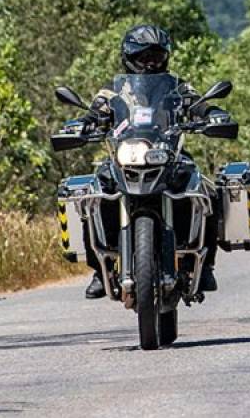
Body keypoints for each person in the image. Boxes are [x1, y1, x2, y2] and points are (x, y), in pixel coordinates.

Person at [80, 24, 227, 299]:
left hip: (169, 155)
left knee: (205, 190)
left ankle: (206, 265)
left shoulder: (178, 88)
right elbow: (94, 113)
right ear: (129, 58)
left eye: (157, 57)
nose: (151, 63)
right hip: (125, 156)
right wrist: (83, 124)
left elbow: (200, 105)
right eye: (144, 57)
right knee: (94, 194)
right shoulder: (113, 92)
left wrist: (213, 114)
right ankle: (100, 270)